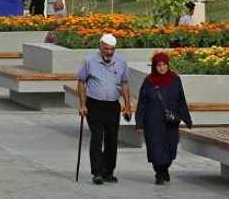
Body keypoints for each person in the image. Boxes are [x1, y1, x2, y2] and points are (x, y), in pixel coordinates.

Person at [76, 33, 132, 185]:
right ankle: (97, 172)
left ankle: (108, 171)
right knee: (97, 137)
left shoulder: (121, 62)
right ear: (100, 46)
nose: (109, 52)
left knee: (112, 139)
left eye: (112, 49)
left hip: (113, 105)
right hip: (94, 104)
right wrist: (82, 105)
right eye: (106, 49)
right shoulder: (90, 61)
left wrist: (127, 105)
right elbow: (81, 82)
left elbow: (125, 83)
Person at [136, 52, 192, 184]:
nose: (162, 68)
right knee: (156, 148)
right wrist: (139, 123)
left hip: (171, 120)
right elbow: (142, 103)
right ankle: (159, 173)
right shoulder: (148, 81)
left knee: (171, 147)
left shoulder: (175, 79)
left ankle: (165, 168)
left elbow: (181, 100)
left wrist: (187, 119)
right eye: (159, 65)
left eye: (164, 65)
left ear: (168, 65)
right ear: (154, 66)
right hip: (152, 120)